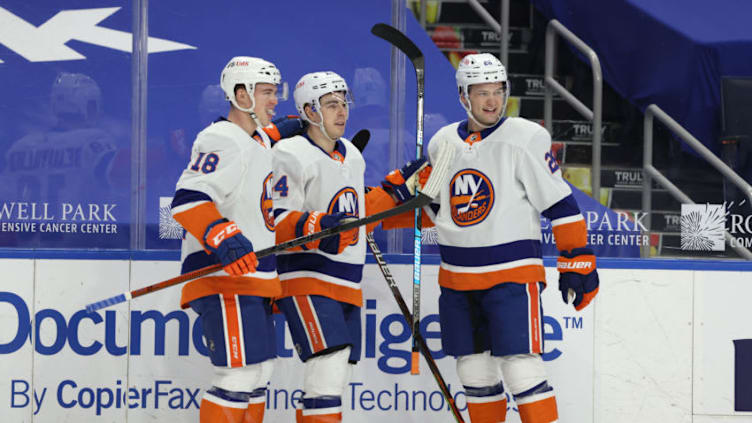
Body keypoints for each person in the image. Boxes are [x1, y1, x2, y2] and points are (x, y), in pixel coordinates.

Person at [422, 53, 600, 423]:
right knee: (474, 373)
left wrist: (577, 259)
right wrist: (401, 197)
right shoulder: (441, 143)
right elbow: (433, 207)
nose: (492, 101)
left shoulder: (524, 137)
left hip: (512, 278)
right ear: (462, 97)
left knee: (523, 370)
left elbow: (560, 203)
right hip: (456, 280)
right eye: (482, 92)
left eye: (498, 91)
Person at [271, 71, 429, 423]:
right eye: (331, 104)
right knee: (327, 369)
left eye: (344, 103)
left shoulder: (353, 155)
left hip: (347, 283)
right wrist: (317, 224)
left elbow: (356, 218)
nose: (341, 112)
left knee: (336, 376)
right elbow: (275, 221)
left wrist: (397, 195)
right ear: (309, 111)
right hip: (306, 278)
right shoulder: (289, 154)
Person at [170, 56, 293, 423]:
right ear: (241, 94)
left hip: (252, 280)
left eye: (275, 93)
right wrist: (223, 236)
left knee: (258, 375)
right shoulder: (221, 137)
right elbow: (189, 198)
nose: (275, 101)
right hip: (226, 279)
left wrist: (281, 130)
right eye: (267, 93)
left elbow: (253, 153)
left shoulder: (254, 141)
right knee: (237, 377)